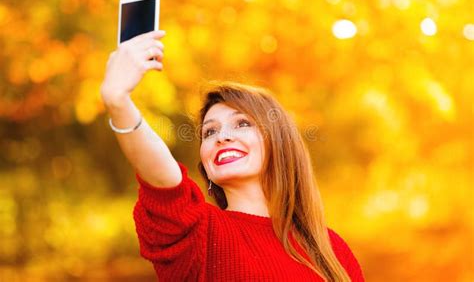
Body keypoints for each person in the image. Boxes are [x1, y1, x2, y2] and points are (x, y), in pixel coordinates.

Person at [100, 30, 365, 281]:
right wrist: (119, 102)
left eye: (242, 124)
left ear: (280, 143)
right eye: (210, 132)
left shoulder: (332, 250)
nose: (222, 137)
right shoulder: (200, 235)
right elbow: (164, 182)